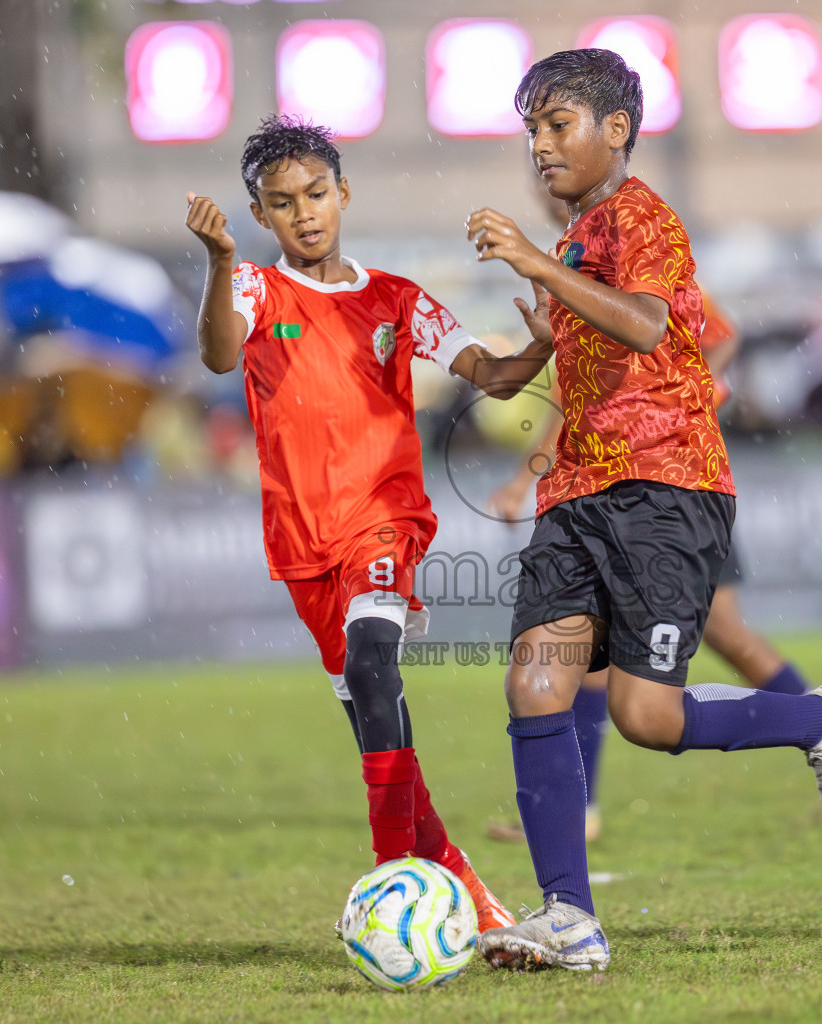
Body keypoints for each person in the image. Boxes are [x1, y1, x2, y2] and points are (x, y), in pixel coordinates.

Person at [461, 49, 822, 972]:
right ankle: (569, 916)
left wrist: (535, 263)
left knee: (650, 717)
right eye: (531, 129)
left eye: (556, 123)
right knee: (536, 682)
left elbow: (649, 325)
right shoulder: (574, 241)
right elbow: (596, 365)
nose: (538, 145)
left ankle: (818, 719)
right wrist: (536, 347)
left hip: (665, 490)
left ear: (616, 129)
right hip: (578, 493)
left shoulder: (644, 216)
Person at [184, 115, 559, 933]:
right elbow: (218, 355)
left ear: (343, 193)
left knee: (373, 661)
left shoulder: (395, 300)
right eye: (282, 204)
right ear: (261, 217)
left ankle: (394, 882)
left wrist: (538, 351)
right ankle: (474, 901)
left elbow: (490, 376)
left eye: (317, 194)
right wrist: (216, 264)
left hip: (384, 523)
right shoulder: (251, 289)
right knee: (372, 714)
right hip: (300, 543)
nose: (305, 213)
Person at [484, 291, 822, 844]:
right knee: (587, 661)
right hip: (603, 497)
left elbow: (721, 336)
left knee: (720, 641)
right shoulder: (571, 269)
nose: (548, 199)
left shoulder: (634, 248)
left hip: (673, 490)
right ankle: (582, 813)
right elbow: (568, 404)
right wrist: (522, 478)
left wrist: (687, 406)